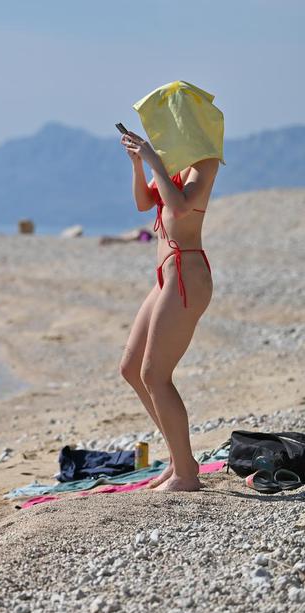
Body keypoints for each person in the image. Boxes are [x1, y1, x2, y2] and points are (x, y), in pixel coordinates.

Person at [117, 81, 225, 492]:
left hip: (187, 274)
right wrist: (138, 163)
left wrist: (154, 161)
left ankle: (185, 474)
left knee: (155, 373)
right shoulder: (174, 165)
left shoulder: (205, 162)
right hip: (165, 274)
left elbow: (179, 208)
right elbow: (146, 204)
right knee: (131, 369)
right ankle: (181, 459)